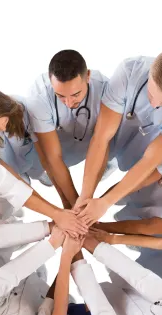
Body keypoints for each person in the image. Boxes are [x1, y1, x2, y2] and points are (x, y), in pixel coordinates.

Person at [76, 48, 162, 223]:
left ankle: (113, 174)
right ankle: (106, 166)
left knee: (130, 174)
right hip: (118, 129)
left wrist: (105, 202)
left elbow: (150, 161)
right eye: (151, 94)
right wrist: (85, 198)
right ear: (151, 69)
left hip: (145, 147)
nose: (154, 104)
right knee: (105, 152)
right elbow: (102, 137)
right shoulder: (130, 70)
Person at [27, 49, 114, 208]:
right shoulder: (38, 96)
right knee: (45, 163)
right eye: (60, 96)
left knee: (107, 149)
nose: (68, 103)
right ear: (49, 79)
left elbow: (102, 141)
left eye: (75, 94)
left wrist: (85, 202)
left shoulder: (106, 89)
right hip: (58, 142)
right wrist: (72, 207)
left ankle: (105, 167)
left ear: (88, 76)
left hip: (93, 140)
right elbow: (52, 157)